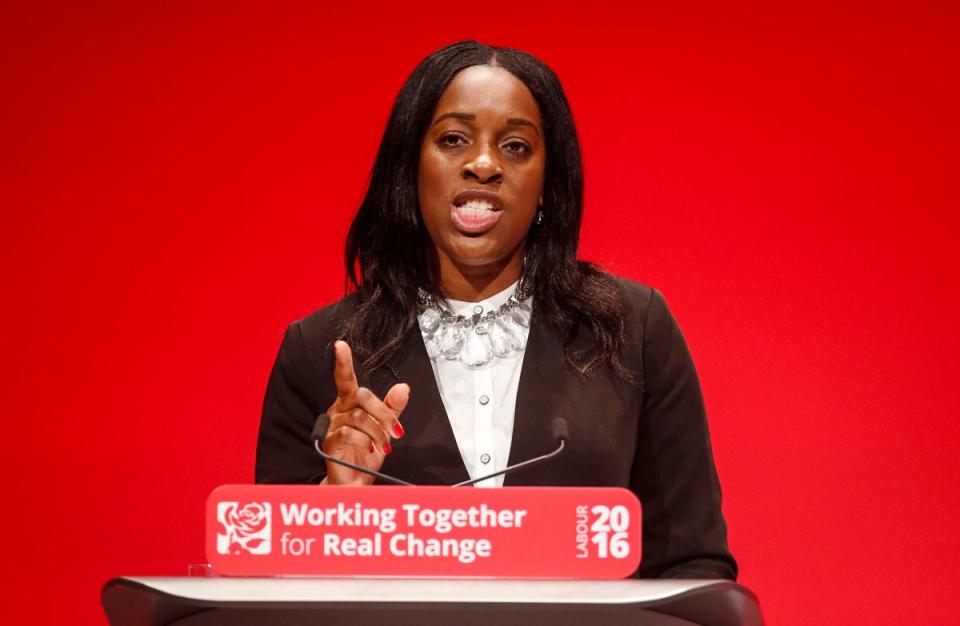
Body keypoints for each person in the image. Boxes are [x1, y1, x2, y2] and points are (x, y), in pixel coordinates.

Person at [255, 41, 737, 580]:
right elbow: (269, 586)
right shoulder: (319, 350)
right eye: (454, 139)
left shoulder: (631, 328)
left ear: (547, 186)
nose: (483, 164)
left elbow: (693, 567)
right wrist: (333, 505)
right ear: (409, 170)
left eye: (514, 146)